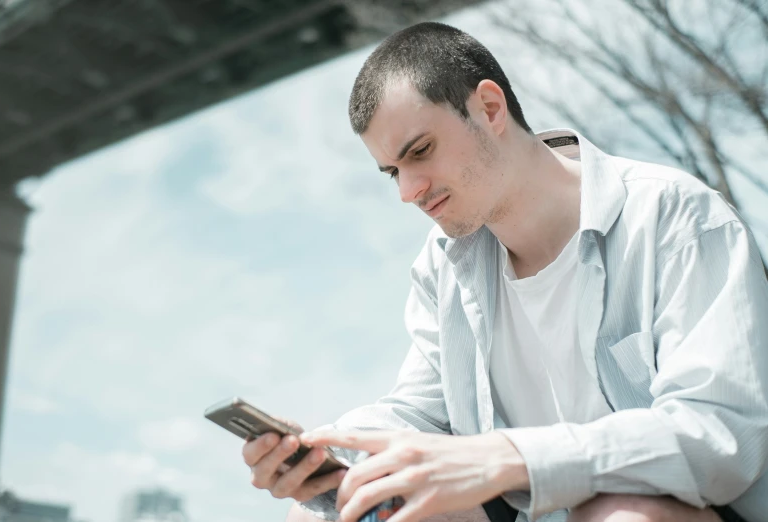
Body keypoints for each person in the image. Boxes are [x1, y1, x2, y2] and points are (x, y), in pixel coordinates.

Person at [240, 22, 768, 522]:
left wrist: (512, 458)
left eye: (420, 152)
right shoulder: (444, 265)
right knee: (343, 508)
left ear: (490, 107)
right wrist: (325, 452)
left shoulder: (675, 217)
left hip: (680, 511)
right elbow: (423, 415)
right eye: (393, 172)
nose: (409, 191)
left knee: (619, 514)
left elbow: (721, 435)